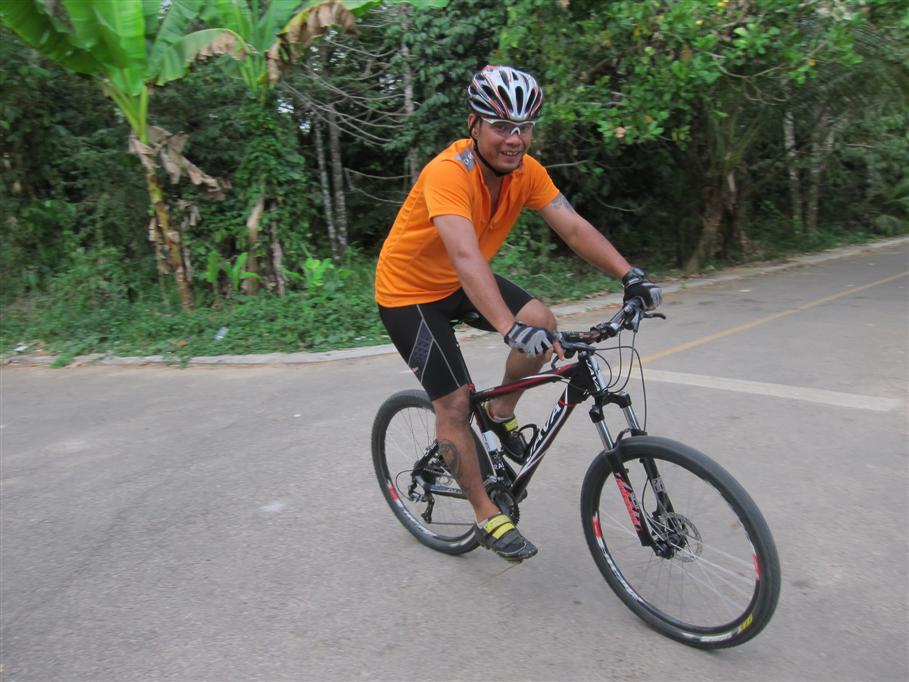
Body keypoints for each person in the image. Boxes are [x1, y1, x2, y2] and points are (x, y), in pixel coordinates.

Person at [374, 65, 662, 562]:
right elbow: (465, 256)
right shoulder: (448, 173)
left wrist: (629, 275)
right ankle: (486, 514)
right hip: (409, 294)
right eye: (502, 126)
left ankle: (501, 414)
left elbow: (573, 227)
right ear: (474, 124)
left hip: (460, 282)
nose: (515, 138)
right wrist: (509, 328)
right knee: (455, 406)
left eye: (524, 126)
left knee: (542, 321)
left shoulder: (527, 172)